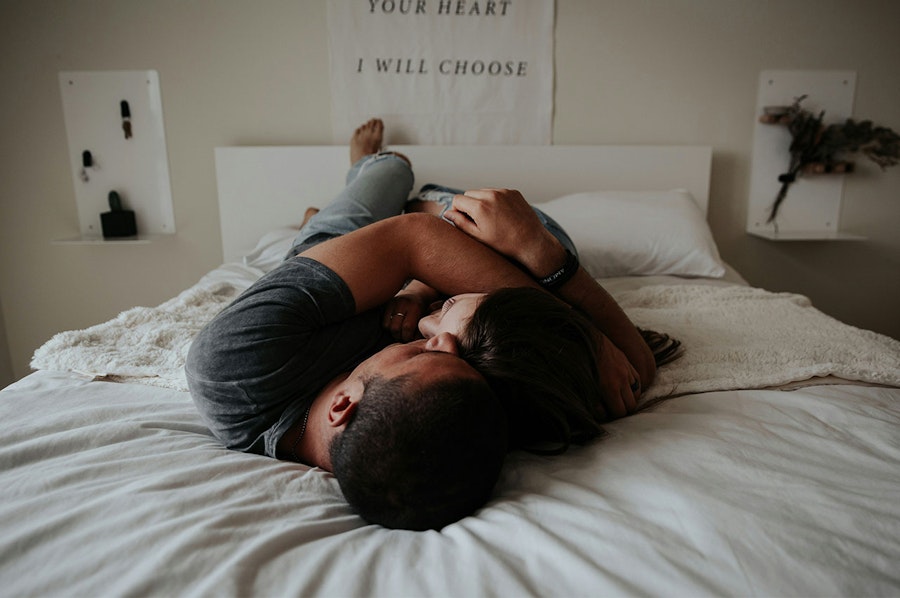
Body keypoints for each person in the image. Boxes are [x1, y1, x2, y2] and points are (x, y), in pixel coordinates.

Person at [186, 118, 657, 530]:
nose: (444, 339)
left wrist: (421, 271)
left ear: (343, 404)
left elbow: (415, 240)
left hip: (336, 253)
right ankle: (405, 198)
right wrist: (567, 299)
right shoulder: (466, 417)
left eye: (421, 352)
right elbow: (634, 367)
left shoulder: (232, 365)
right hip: (415, 250)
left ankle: (359, 182)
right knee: (541, 233)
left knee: (392, 172)